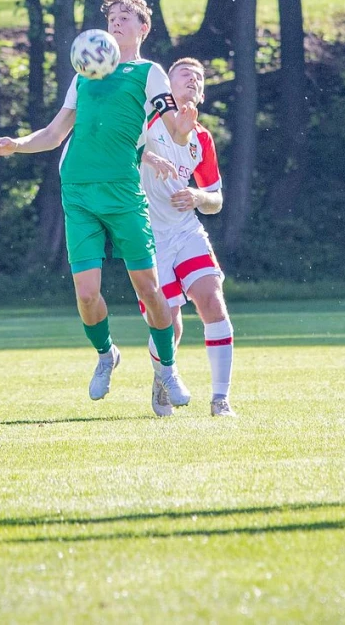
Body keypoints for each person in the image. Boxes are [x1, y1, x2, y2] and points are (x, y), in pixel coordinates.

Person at [0, 0, 196, 407]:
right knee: (86, 294)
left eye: (126, 17)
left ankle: (166, 369)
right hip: (78, 192)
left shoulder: (149, 72)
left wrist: (185, 130)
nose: (116, 22)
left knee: (151, 290)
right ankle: (106, 354)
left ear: (144, 27)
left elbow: (174, 127)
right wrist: (16, 144)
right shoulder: (85, 74)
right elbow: (54, 133)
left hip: (123, 192)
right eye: (112, 17)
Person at [138, 58, 236, 418]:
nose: (193, 80)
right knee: (170, 322)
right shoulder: (146, 120)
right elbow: (122, 149)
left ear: (203, 94)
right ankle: (163, 376)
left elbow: (216, 200)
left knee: (212, 301)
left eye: (199, 78)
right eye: (184, 74)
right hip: (147, 235)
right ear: (166, 87)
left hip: (185, 230)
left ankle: (220, 399)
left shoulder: (202, 138)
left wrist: (197, 196)